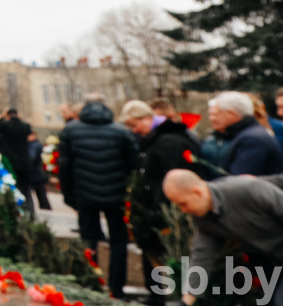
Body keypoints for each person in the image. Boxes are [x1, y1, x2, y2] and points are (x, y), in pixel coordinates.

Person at [58, 93, 139, 299]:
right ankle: (117, 289)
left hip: (85, 195)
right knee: (119, 242)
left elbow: (64, 167)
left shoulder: (71, 131)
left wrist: (69, 196)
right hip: (117, 196)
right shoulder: (121, 132)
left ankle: (89, 282)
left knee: (88, 240)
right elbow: (134, 165)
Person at [164, 169, 283, 306]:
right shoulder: (203, 218)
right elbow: (202, 256)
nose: (183, 210)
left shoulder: (244, 190)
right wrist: (187, 301)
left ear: (197, 192)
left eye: (183, 203)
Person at [121, 99, 200, 306]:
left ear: (147, 119)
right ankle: (160, 296)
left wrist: (163, 208)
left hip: (172, 212)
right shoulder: (156, 139)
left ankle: (177, 297)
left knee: (175, 254)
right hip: (159, 208)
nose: (133, 131)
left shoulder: (168, 142)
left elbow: (173, 178)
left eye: (133, 125)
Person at [207, 91, 283, 176]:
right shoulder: (245, 134)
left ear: (231, 113)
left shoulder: (253, 139)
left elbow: (240, 182)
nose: (212, 119)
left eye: (216, 114)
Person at [0, 108, 33, 212]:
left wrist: (2, 117)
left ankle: (18, 211)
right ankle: (30, 210)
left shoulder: (5, 125)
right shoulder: (26, 126)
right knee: (27, 190)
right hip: (25, 162)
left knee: (15, 188)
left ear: (8, 116)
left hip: (11, 162)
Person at [27, 132, 52, 210]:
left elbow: (32, 157)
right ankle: (46, 209)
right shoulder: (36, 144)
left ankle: (45, 210)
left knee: (40, 194)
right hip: (38, 174)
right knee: (41, 195)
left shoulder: (34, 145)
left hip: (36, 174)